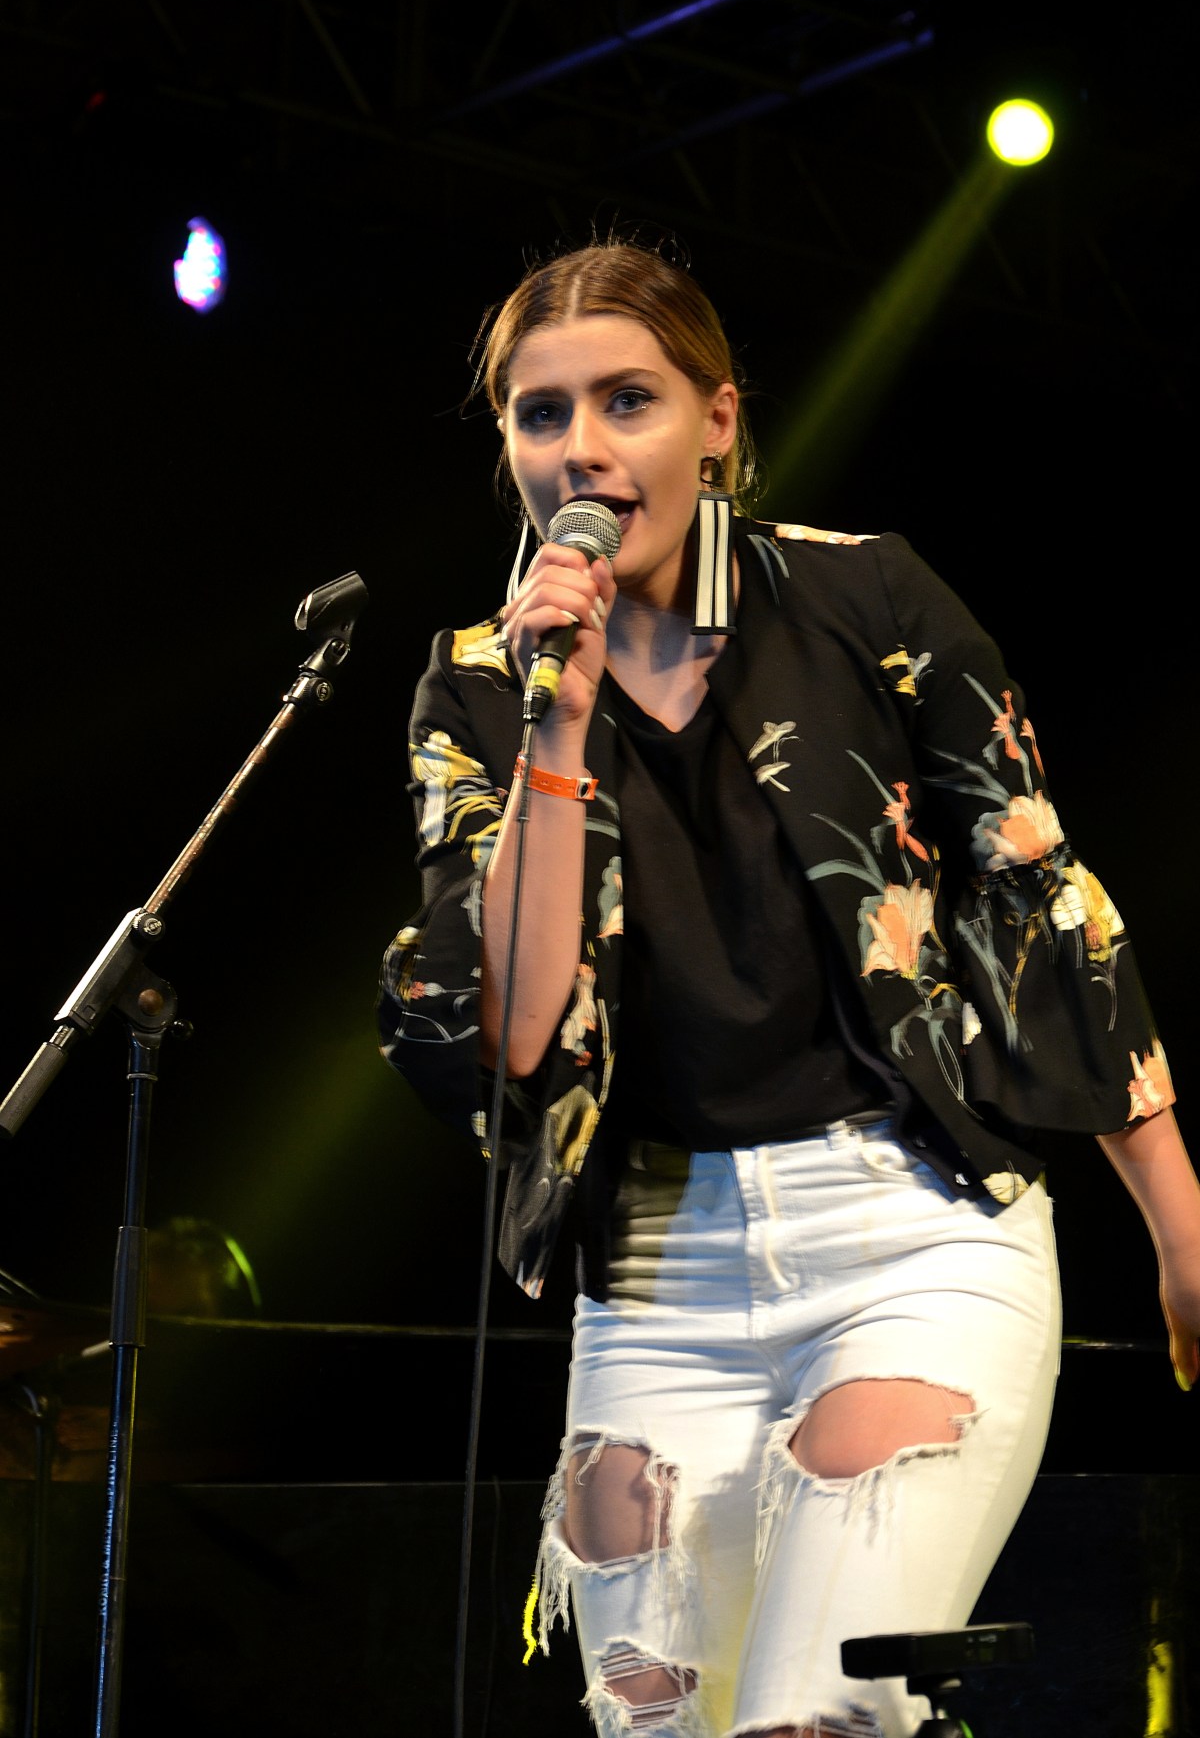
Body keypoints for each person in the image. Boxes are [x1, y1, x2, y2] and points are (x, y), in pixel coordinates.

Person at [377, 235, 1200, 1738]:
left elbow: (1038, 894)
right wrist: (555, 725)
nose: (582, 448)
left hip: (907, 1233)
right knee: (656, 1722)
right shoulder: (481, 683)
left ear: (718, 420)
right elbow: (516, 1028)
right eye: (542, 413)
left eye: (628, 400)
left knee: (816, 1718)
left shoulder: (862, 594)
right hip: (653, 1275)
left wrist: (1180, 1220)